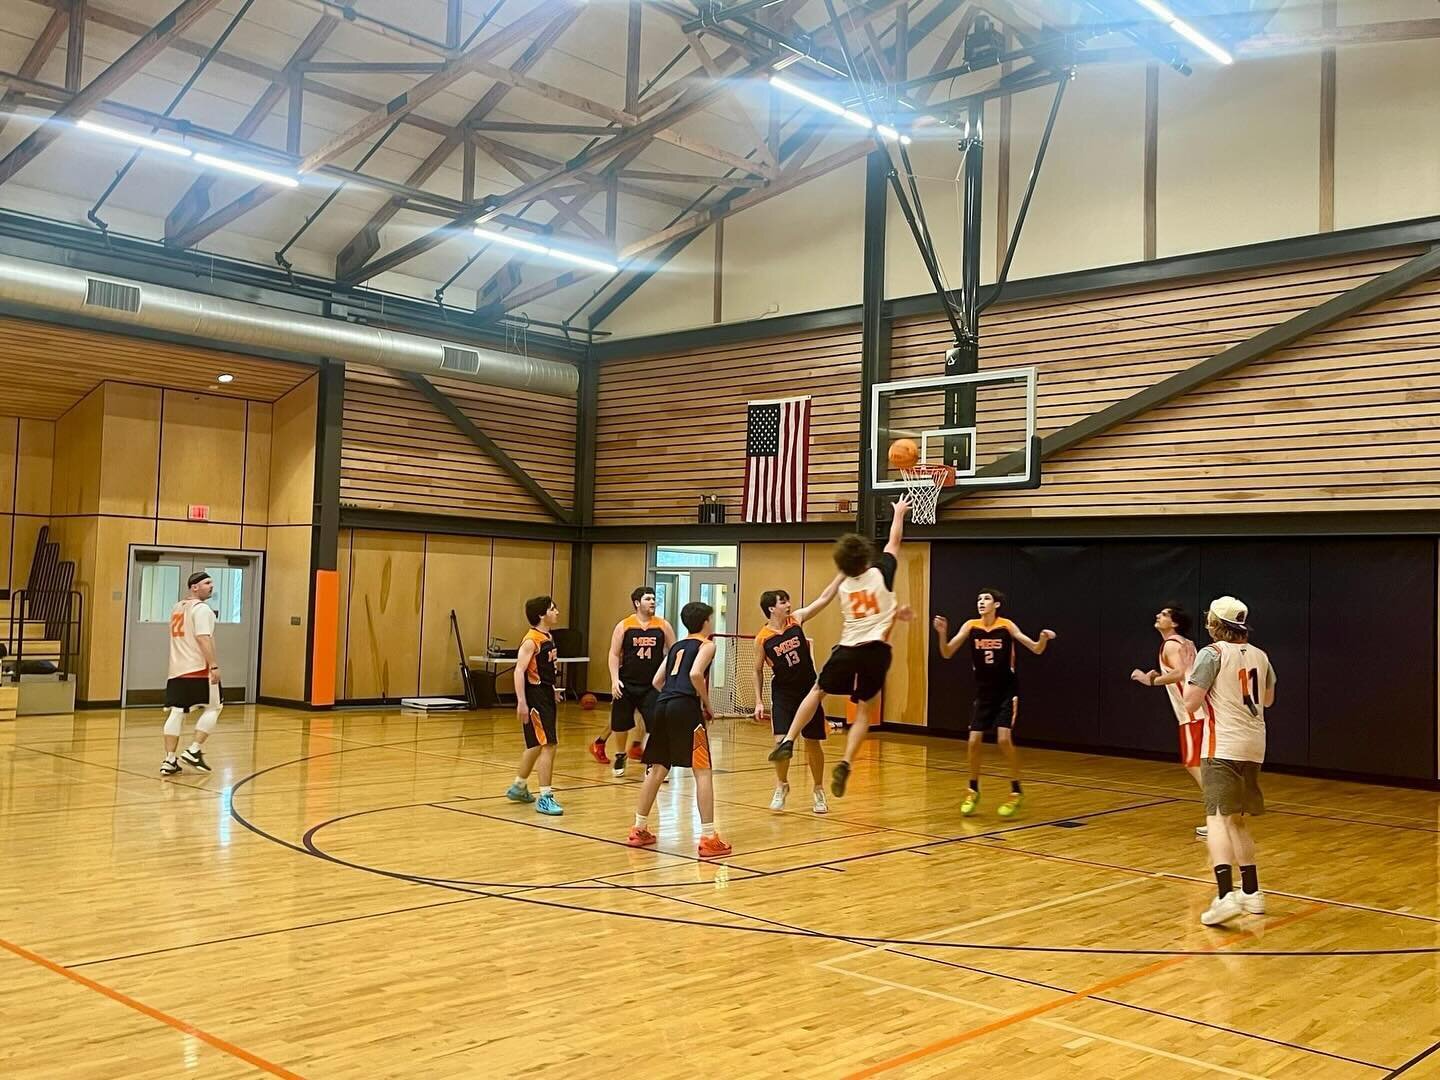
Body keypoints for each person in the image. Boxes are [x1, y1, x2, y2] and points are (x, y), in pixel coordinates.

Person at [768, 496, 912, 798]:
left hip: (847, 647)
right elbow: (894, 542)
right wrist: (898, 513)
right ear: (866, 558)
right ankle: (845, 762)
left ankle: (788, 740)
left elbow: (827, 595)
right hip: (876, 650)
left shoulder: (845, 584)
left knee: (817, 691)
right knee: (863, 713)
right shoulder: (880, 573)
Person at [1182, 596, 1275, 927]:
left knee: (1218, 819)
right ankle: (1252, 892)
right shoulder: (1261, 656)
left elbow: (1191, 703)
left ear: (1215, 624)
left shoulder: (1212, 653)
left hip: (1223, 744)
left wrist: (1190, 682)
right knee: (1237, 820)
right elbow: (1267, 698)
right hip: (1254, 745)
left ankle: (1224, 896)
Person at [933, 589, 1055, 818]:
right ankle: (972, 789)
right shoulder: (971, 626)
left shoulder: (1006, 626)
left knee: (1003, 739)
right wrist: (942, 633)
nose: (981, 602)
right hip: (984, 692)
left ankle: (1016, 790)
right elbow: (947, 652)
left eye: (986, 599)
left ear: (996, 604)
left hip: (1007, 692)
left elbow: (1035, 649)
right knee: (973, 741)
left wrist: (1043, 638)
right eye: (979, 599)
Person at [626, 602, 731, 857]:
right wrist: (706, 705)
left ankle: (639, 828)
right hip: (685, 706)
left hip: (662, 705)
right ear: (706, 622)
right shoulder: (707, 645)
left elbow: (656, 681)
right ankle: (708, 836)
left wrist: (672, 698)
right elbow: (696, 674)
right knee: (702, 770)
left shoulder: (675, 647)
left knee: (657, 769)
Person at [753, 577, 841, 814]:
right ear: (772, 608)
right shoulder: (763, 638)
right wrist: (759, 701)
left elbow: (823, 598)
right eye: (783, 602)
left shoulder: (797, 620)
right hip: (783, 693)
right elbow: (757, 670)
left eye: (788, 600)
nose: (788, 604)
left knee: (813, 743)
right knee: (780, 742)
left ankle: (819, 790)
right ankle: (781, 785)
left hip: (809, 690)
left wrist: (841, 576)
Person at [1130, 604, 1207, 839]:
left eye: (1164, 614)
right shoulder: (1185, 643)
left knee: (1193, 764)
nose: (1158, 616)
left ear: (1173, 623)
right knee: (1202, 764)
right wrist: (1159, 674)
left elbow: (1180, 674)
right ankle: (1224, 808)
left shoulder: (1171, 644)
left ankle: (1219, 813)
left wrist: (1148, 680)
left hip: (1193, 713)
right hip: (1202, 710)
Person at [591, 587, 675, 778]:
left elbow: (674, 650)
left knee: (656, 724)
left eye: (654, 598)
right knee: (620, 723)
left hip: (652, 685)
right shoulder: (624, 625)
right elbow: (613, 654)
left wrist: (668, 678)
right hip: (627, 683)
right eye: (648, 599)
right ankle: (621, 755)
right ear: (637, 603)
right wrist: (614, 680)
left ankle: (653, 761)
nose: (652, 602)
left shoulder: (662, 625)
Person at [505, 596, 564, 816]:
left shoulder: (548, 636)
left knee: (536, 744)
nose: (557, 611)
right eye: (552, 608)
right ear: (542, 615)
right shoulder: (531, 640)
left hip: (545, 693)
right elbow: (519, 671)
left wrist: (553, 689)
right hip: (535, 696)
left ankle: (519, 786)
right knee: (549, 744)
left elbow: (543, 669)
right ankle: (545, 797)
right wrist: (521, 701)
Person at [160, 571, 222, 775]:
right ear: (194, 587)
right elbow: (204, 638)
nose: (211, 586)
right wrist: (213, 665)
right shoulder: (202, 610)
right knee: (215, 706)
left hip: (176, 669)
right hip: (198, 668)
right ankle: (194, 750)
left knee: (177, 711)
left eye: (211, 583)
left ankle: (169, 759)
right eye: (207, 583)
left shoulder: (177, 607)